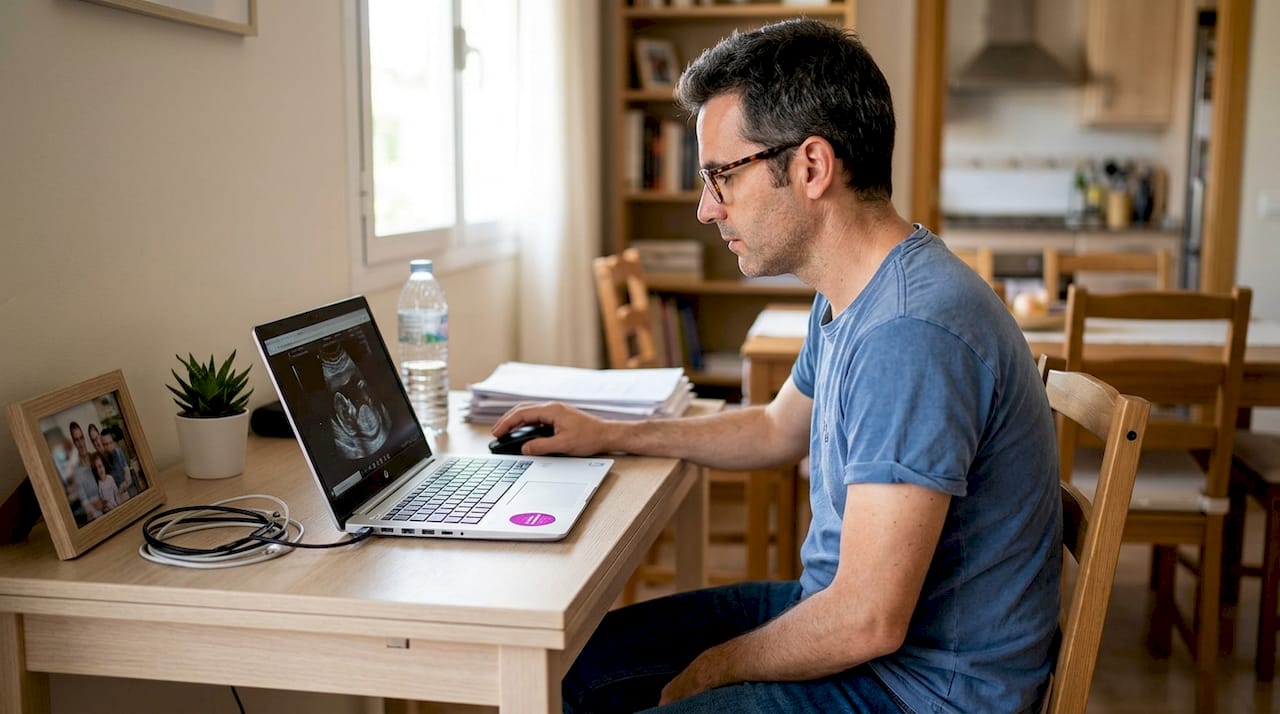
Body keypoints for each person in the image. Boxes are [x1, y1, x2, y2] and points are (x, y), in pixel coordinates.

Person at [492, 18, 1061, 714]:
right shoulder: (857, 292)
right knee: (578, 664)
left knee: (613, 679)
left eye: (722, 177)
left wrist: (711, 671)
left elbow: (867, 619)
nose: (707, 209)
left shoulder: (911, 332)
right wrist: (610, 431)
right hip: (859, 628)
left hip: (919, 689)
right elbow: (774, 429)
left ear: (812, 167)